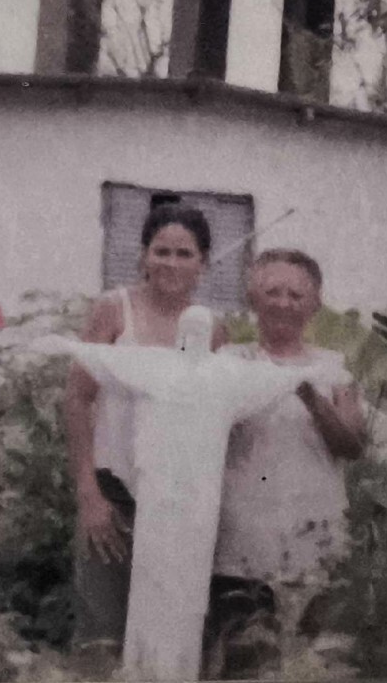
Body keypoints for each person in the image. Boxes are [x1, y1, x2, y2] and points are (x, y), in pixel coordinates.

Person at [62, 203, 227, 668]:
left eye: (184, 254)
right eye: (161, 251)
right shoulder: (114, 310)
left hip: (178, 499)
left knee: (168, 631)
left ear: (203, 263)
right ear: (143, 255)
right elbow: (77, 399)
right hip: (114, 489)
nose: (171, 263)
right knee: (100, 636)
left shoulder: (213, 329)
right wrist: (89, 494)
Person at [205, 248, 368, 679]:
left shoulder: (333, 369)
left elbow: (353, 445)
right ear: (252, 298)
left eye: (296, 295)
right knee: (242, 664)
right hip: (240, 547)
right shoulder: (229, 362)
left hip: (315, 544)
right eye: (272, 292)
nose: (284, 303)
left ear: (315, 304)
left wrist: (310, 396)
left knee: (309, 665)